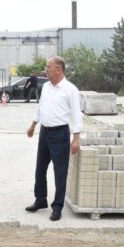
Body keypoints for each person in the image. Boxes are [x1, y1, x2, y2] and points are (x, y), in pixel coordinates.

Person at [25, 56, 82, 221]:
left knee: (60, 171)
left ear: (59, 69)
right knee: (40, 169)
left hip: (60, 134)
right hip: (44, 132)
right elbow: (41, 107)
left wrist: (76, 138)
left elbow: (77, 115)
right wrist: (33, 125)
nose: (45, 69)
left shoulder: (70, 89)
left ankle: (57, 207)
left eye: (48, 66)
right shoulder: (46, 87)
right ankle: (40, 199)